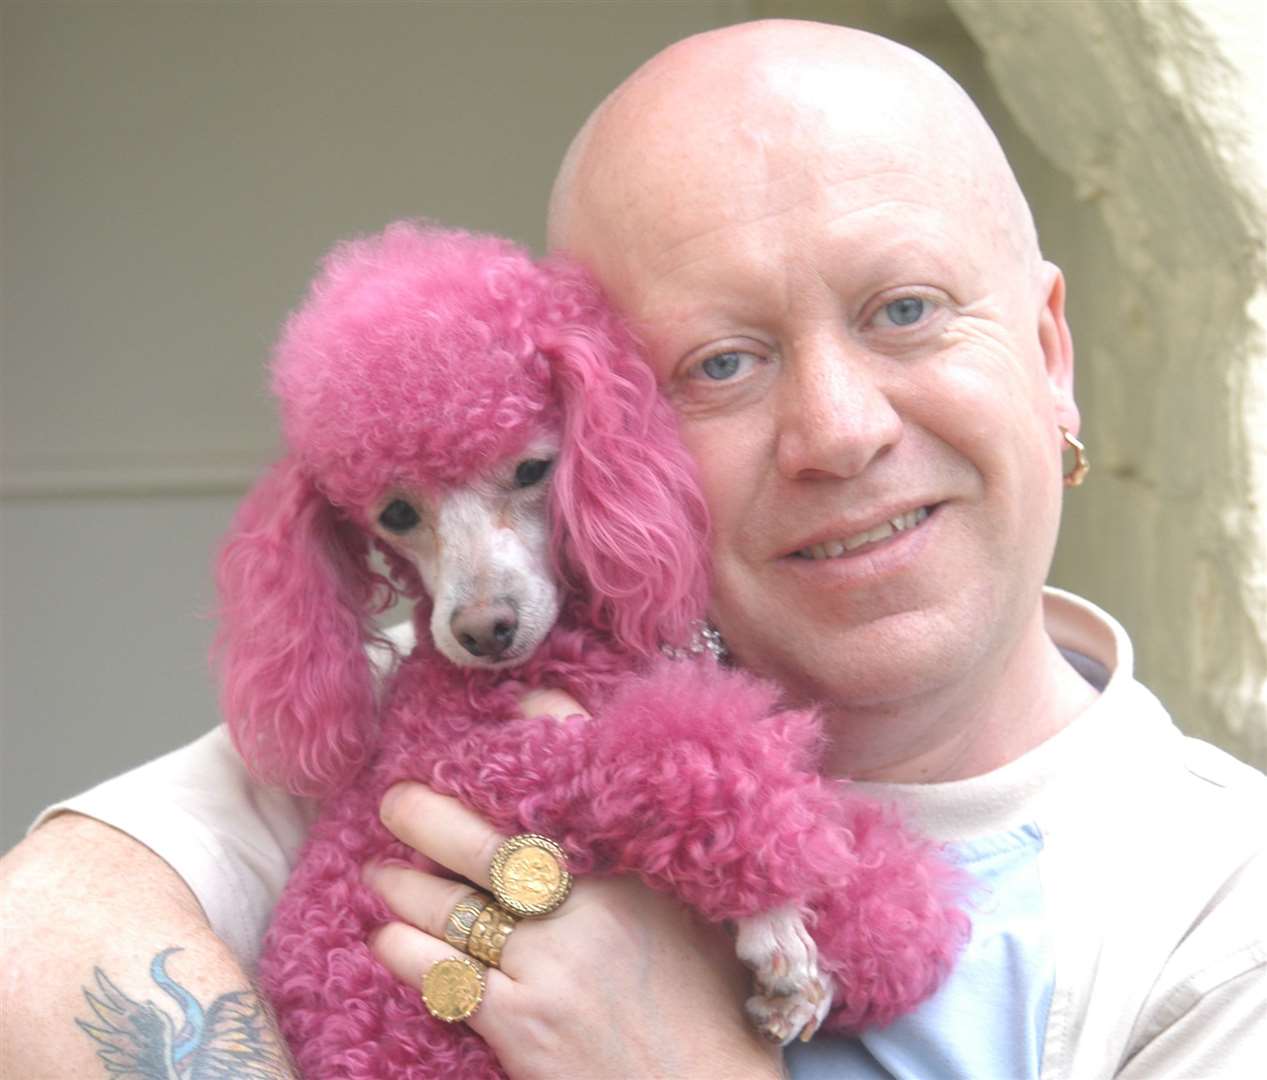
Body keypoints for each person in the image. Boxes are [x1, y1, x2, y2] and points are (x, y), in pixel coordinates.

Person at [3, 19, 1264, 1079]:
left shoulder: (1219, 910)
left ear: (1049, 355)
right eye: (722, 363)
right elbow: (35, 950)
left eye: (905, 311)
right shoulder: (451, 694)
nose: (837, 429)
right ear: (613, 426)